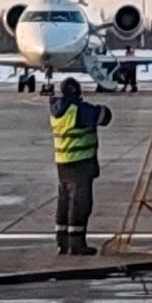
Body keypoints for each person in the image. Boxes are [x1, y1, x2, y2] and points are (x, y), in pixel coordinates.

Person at [48, 75, 106, 256]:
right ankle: (77, 243)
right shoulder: (77, 111)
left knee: (64, 201)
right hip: (80, 163)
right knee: (80, 203)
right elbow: (104, 116)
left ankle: (62, 242)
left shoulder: (56, 109)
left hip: (63, 163)